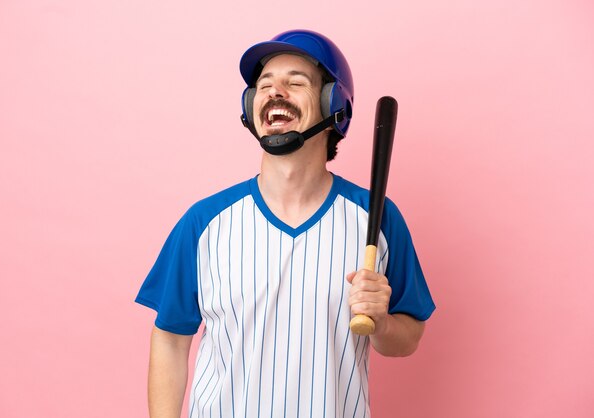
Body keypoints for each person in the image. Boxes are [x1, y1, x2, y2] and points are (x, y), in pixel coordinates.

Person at [135, 29, 435, 418]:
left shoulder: (375, 217)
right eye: (263, 85)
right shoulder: (204, 222)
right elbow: (171, 339)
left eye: (295, 82)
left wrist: (381, 323)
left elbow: (407, 339)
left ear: (333, 104)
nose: (275, 92)